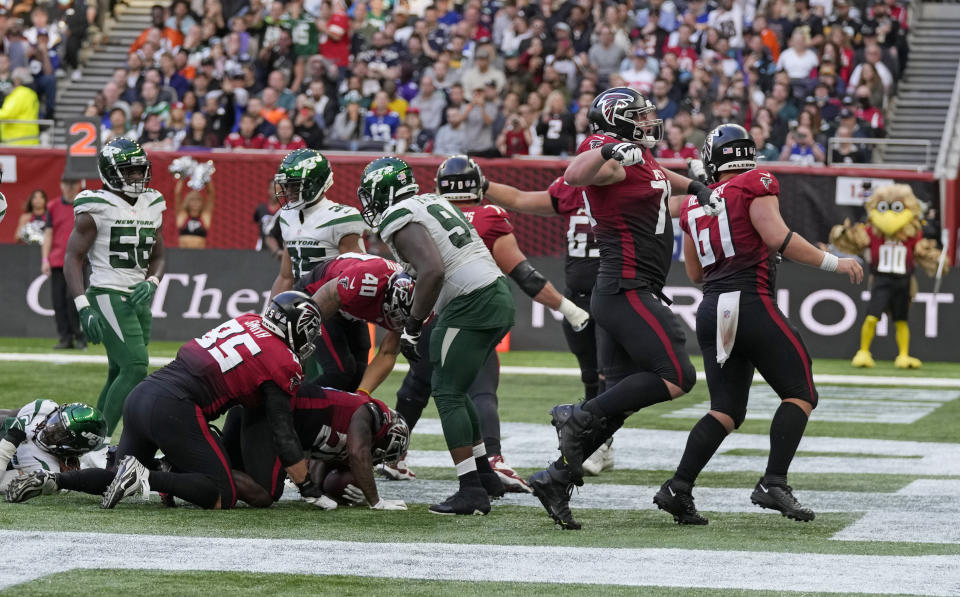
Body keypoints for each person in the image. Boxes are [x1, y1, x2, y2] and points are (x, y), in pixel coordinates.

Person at [525, 87, 722, 530]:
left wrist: (694, 186)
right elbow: (575, 174)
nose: (650, 123)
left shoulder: (639, 158)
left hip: (634, 286)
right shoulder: (604, 153)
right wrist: (613, 146)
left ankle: (556, 478)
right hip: (623, 288)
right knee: (677, 376)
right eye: (640, 116)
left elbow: (657, 177)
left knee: (621, 401)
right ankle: (575, 416)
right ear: (616, 121)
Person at [655, 124, 863, 524]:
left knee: (726, 409)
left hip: (713, 307)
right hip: (749, 302)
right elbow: (778, 237)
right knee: (800, 391)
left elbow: (697, 274)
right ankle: (774, 482)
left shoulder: (695, 204)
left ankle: (678, 486)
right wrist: (835, 262)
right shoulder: (755, 181)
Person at [6, 292, 331, 511]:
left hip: (145, 395)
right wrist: (307, 488)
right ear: (297, 327)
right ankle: (149, 475)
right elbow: (282, 431)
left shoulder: (247, 321)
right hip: (174, 408)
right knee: (220, 493)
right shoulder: (282, 360)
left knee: (117, 475)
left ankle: (53, 480)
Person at [387, 156, 590, 492]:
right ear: (478, 186)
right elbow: (524, 274)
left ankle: (392, 453)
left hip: (428, 311)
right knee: (479, 388)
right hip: (470, 313)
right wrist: (568, 308)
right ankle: (492, 461)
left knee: (416, 385)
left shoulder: (422, 209)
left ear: (439, 186)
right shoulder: (488, 215)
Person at [357, 156, 515, 515]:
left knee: (445, 392)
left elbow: (432, 270)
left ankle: (470, 489)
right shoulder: (432, 200)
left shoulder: (399, 214)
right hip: (494, 294)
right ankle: (485, 476)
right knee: (456, 390)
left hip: (471, 300)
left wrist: (412, 324)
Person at [484, 175, 611, 474]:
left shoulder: (628, 186)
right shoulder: (572, 190)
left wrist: (700, 187)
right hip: (577, 294)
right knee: (591, 375)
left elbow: (669, 204)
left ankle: (599, 442)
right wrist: (484, 184)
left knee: (609, 372)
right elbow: (518, 199)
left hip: (613, 293)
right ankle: (601, 441)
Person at [64, 138, 166, 457]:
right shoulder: (96, 205)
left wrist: (152, 280)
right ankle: (98, 445)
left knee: (118, 371)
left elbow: (159, 254)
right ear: (110, 172)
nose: (138, 177)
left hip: (138, 297)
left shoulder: (153, 202)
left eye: (140, 170)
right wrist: (83, 306)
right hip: (107, 293)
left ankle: (87, 440)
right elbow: (72, 258)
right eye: (130, 171)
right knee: (135, 366)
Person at [270, 149, 368, 389]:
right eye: (287, 185)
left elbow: (359, 270)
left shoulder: (341, 217)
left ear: (315, 184)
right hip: (310, 308)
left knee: (357, 376)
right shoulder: (286, 217)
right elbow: (286, 274)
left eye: (295, 185)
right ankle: (303, 411)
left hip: (344, 305)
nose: (289, 191)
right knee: (340, 373)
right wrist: (270, 316)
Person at [221, 385, 410, 510]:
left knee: (237, 471)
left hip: (258, 413)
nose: (380, 456)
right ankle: (208, 471)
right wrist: (375, 501)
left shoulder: (350, 428)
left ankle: (202, 464)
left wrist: (325, 491)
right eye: (387, 449)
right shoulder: (367, 411)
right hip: (266, 414)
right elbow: (357, 454)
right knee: (264, 493)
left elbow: (319, 465)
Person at [298, 252, 415, 395]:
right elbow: (329, 295)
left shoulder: (421, 309)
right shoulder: (368, 280)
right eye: (392, 311)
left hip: (351, 311)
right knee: (339, 372)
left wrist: (361, 395)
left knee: (359, 377)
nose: (395, 320)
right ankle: (297, 403)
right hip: (320, 297)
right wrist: (298, 344)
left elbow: (388, 352)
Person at [0, 401, 107, 492]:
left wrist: (10, 442)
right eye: (56, 421)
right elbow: (7, 415)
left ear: (74, 448)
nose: (50, 429)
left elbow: (6, 484)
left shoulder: (49, 469)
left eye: (61, 433)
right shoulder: (44, 408)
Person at [42, 176, 86, 350]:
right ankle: (65, 337)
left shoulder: (85, 204)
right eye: (66, 184)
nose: (69, 187)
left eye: (72, 184)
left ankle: (80, 336)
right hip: (58, 259)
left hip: (78, 259)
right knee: (58, 301)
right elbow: (48, 234)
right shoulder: (53, 206)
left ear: (78, 185)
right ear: (60, 185)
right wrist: (45, 259)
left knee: (74, 299)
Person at [0, 68, 40, 145]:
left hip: (18, 140)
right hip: (27, 139)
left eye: (13, 80)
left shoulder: (20, 93)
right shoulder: (31, 93)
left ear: (17, 80)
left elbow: (6, 113)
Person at [174, 176, 215, 249]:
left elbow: (211, 194)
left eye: (198, 200)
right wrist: (183, 177)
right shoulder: (183, 215)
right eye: (192, 200)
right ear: (188, 202)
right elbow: (177, 193)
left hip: (199, 255)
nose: (195, 203)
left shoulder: (204, 217)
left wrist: (207, 177)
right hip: (182, 254)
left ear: (202, 203)